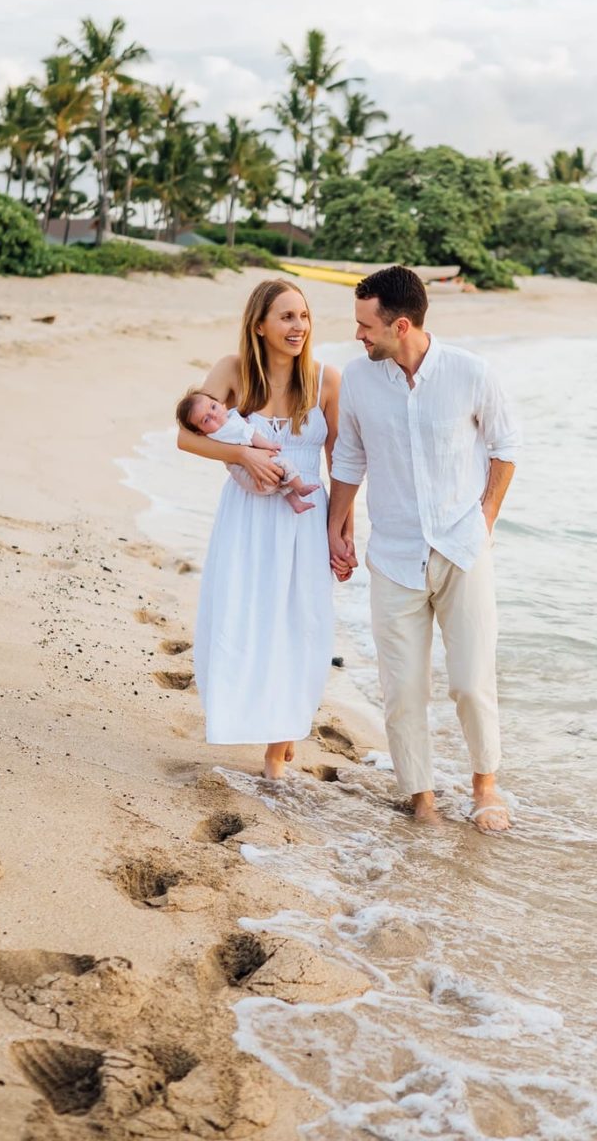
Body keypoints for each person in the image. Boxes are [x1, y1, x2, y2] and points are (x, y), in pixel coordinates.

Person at [327, 265, 521, 833]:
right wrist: (337, 527)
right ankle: (422, 798)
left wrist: (485, 518)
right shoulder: (360, 381)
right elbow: (350, 459)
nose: (359, 336)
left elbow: (505, 447)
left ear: (401, 324)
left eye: (366, 326)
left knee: (469, 681)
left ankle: (485, 786)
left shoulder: (470, 372)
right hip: (393, 554)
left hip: (463, 549)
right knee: (403, 688)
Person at [177, 279, 340, 780]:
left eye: (304, 316)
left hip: (305, 515)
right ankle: (249, 716)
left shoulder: (326, 380)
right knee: (246, 616)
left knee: (300, 624)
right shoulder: (231, 371)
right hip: (247, 516)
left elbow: (342, 458)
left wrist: (342, 528)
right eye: (287, 317)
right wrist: (243, 452)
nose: (298, 327)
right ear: (260, 325)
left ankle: (279, 745)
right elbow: (187, 437)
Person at [175, 389, 320, 514]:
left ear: (221, 404)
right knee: (284, 464)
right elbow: (252, 437)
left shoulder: (227, 422)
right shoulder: (225, 430)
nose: (214, 415)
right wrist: (270, 445)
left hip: (251, 480)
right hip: (254, 477)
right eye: (206, 420)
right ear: (200, 432)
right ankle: (300, 487)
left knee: (281, 484)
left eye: (213, 407)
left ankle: (296, 503)